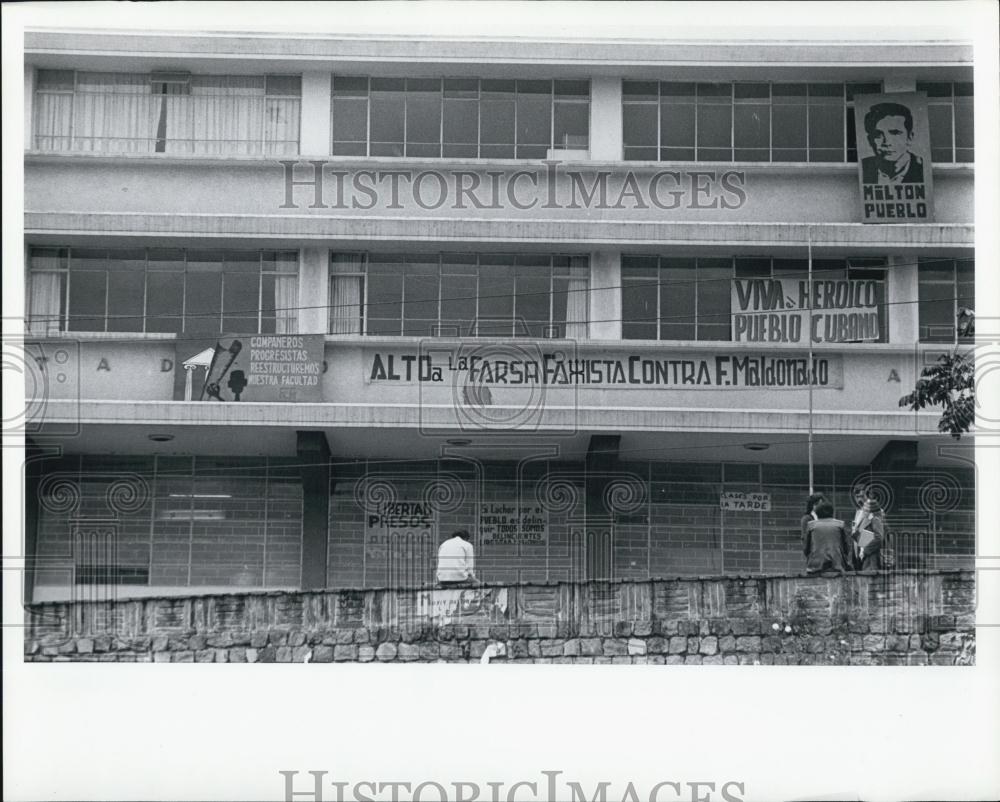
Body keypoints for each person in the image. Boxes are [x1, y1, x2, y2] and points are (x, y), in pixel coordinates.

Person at [861, 102, 924, 184]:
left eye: (895, 133)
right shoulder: (864, 167)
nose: (887, 142)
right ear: (870, 140)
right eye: (878, 135)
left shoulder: (923, 168)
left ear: (909, 138)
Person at [804, 500, 852, 574]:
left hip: (815, 565)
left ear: (817, 513)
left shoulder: (811, 525)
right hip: (837, 563)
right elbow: (846, 547)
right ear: (832, 512)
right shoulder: (840, 524)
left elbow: (806, 549)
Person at [851, 496, 885, 571]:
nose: (863, 510)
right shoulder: (867, 519)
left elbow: (879, 537)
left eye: (866, 509)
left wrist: (865, 550)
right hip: (864, 557)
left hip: (871, 558)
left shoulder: (875, 519)